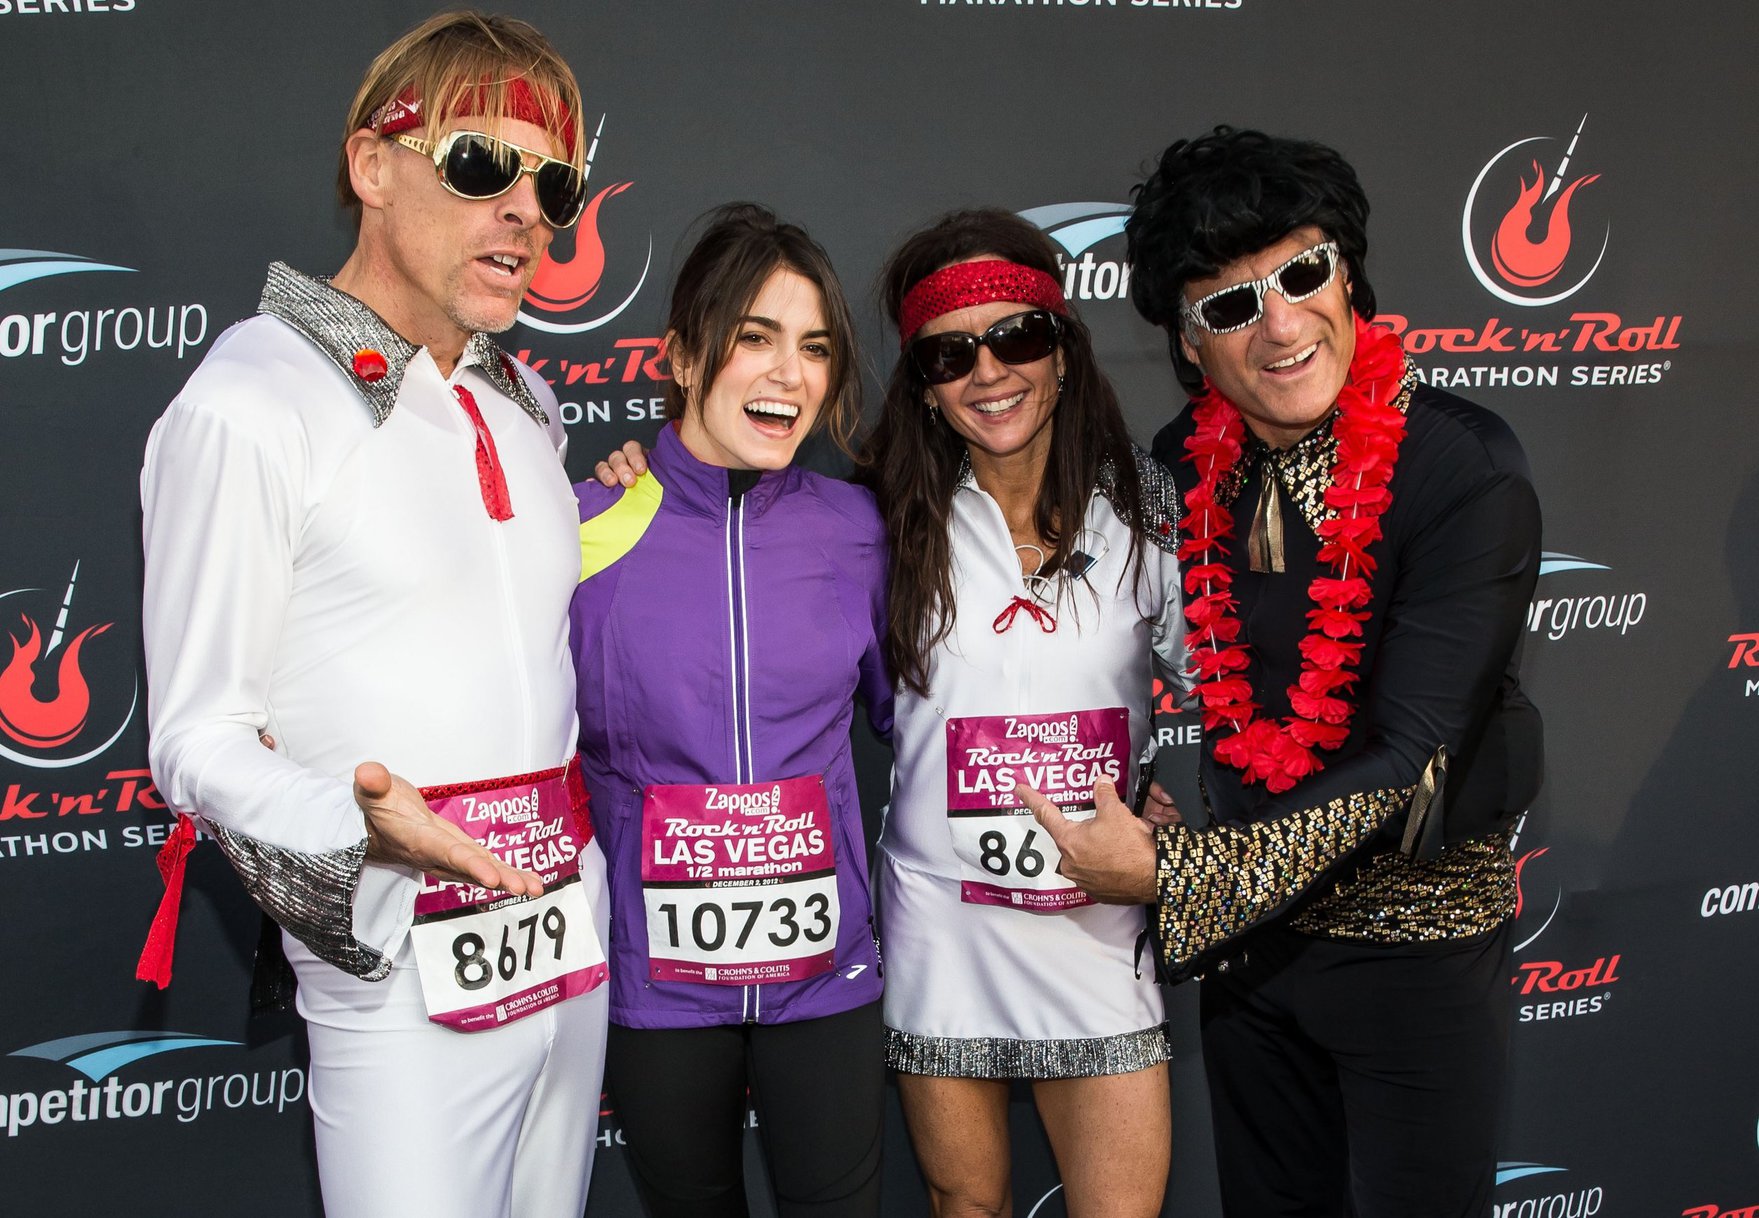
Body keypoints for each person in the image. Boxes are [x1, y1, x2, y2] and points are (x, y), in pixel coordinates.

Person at [137, 14, 609, 1218]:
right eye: (479, 165)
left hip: (568, 933)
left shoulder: (528, 401)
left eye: (553, 185)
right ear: (371, 166)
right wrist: (360, 826)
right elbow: (195, 738)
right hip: (398, 961)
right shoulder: (248, 403)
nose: (527, 213)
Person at [1025, 127, 1543, 1218]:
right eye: (1229, 305)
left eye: (1301, 275)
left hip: (1415, 954)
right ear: (1187, 342)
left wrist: (1177, 876)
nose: (1280, 325)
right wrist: (1138, 784)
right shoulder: (1178, 465)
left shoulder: (1462, 465)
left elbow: (1411, 759)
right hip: (1252, 958)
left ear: (1347, 276)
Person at [860, 209, 1182, 1218]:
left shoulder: (1148, 504)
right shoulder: (876, 517)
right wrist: (640, 480)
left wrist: (1185, 804)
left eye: (1018, 337)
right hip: (943, 923)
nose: (989, 373)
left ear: (1063, 348)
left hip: (1095, 923)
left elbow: (1229, 688)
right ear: (922, 383)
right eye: (950, 354)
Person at [571, 204, 891, 1217]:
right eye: (755, 337)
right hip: (658, 985)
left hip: (824, 976)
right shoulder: (581, 526)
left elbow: (920, 723)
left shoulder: (858, 529)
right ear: (679, 355)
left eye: (815, 348)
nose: (789, 374)